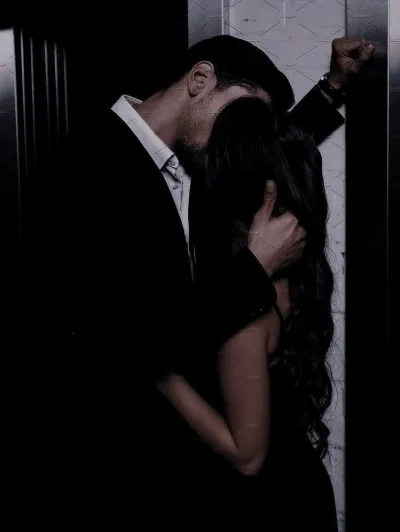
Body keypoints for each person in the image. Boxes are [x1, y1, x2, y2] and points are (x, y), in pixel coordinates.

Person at [17, 35, 372, 523]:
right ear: (200, 80)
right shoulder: (82, 167)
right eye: (242, 114)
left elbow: (272, 156)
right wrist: (255, 266)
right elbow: (123, 337)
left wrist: (334, 87)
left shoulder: (196, 161)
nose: (242, 132)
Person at [157, 96, 337, 530]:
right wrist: (331, 90)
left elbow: (247, 455)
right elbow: (281, 153)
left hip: (267, 507)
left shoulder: (247, 306)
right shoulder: (297, 271)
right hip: (298, 488)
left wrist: (161, 375)